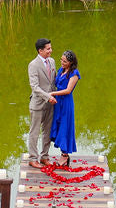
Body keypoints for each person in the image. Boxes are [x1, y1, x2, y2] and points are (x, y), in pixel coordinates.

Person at [27, 38, 57, 168]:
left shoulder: (52, 61)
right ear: (40, 50)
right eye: (48, 49)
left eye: (50, 48)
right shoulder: (33, 65)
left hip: (51, 104)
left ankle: (45, 157)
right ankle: (33, 158)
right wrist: (48, 96)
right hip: (38, 103)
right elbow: (34, 87)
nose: (51, 50)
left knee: (47, 131)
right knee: (34, 132)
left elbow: (54, 81)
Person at [49, 50, 80, 167]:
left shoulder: (74, 74)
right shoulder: (60, 70)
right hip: (58, 102)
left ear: (71, 62)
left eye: (65, 61)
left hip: (66, 103)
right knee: (58, 124)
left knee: (65, 127)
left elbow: (68, 90)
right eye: (61, 60)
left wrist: (52, 93)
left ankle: (65, 155)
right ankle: (62, 152)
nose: (62, 62)